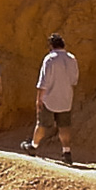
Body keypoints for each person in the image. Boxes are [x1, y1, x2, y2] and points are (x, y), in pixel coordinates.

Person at [20, 33, 79, 165]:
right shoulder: (72, 58)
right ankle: (67, 152)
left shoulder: (50, 59)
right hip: (66, 98)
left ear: (51, 46)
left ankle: (33, 147)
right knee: (64, 126)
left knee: (42, 124)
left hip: (49, 98)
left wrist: (38, 99)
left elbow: (43, 82)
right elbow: (74, 80)